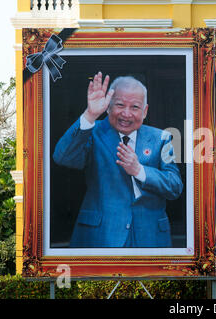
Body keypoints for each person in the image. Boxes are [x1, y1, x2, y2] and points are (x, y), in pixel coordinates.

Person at [53, 72, 183, 248]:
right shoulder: (93, 132)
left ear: (145, 111)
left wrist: (139, 170)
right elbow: (63, 157)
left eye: (135, 107)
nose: (126, 113)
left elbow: (174, 186)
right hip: (101, 236)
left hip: (150, 237)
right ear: (108, 107)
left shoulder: (162, 138)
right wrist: (90, 115)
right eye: (120, 105)